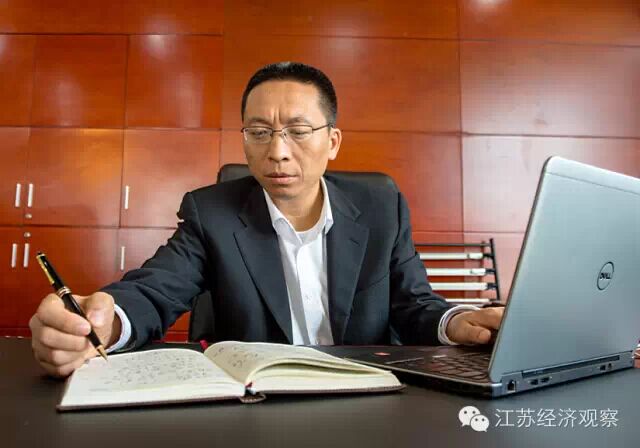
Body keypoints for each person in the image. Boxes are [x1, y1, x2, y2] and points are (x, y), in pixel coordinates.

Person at [29, 62, 504, 377]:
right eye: (259, 132)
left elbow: (413, 304)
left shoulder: (381, 206)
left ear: (332, 142)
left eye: (298, 131)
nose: (277, 151)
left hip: (368, 392)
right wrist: (105, 323)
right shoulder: (211, 212)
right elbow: (155, 290)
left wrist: (457, 322)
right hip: (257, 403)